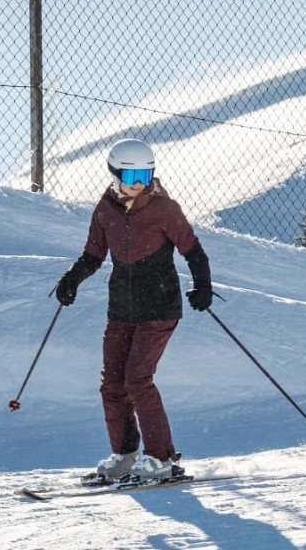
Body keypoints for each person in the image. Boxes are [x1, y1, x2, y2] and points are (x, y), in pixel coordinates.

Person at [53, 138, 213, 480]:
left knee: (137, 379)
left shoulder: (164, 209)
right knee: (112, 384)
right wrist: (71, 279)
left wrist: (203, 285)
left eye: (145, 173)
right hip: (121, 310)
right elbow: (94, 255)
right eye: (132, 175)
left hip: (159, 308)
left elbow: (193, 250)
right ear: (115, 175)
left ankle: (162, 458)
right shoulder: (105, 210)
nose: (140, 182)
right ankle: (125, 454)